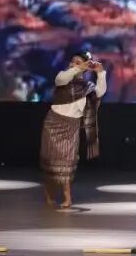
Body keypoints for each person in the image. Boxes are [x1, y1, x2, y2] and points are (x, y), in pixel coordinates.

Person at [40, 50, 106, 208]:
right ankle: (49, 195)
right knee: (50, 161)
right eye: (72, 62)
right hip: (53, 124)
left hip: (71, 126)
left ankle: (67, 198)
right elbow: (61, 79)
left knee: (67, 162)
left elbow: (100, 92)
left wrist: (100, 73)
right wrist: (78, 67)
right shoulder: (62, 77)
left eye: (77, 62)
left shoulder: (87, 87)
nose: (73, 64)